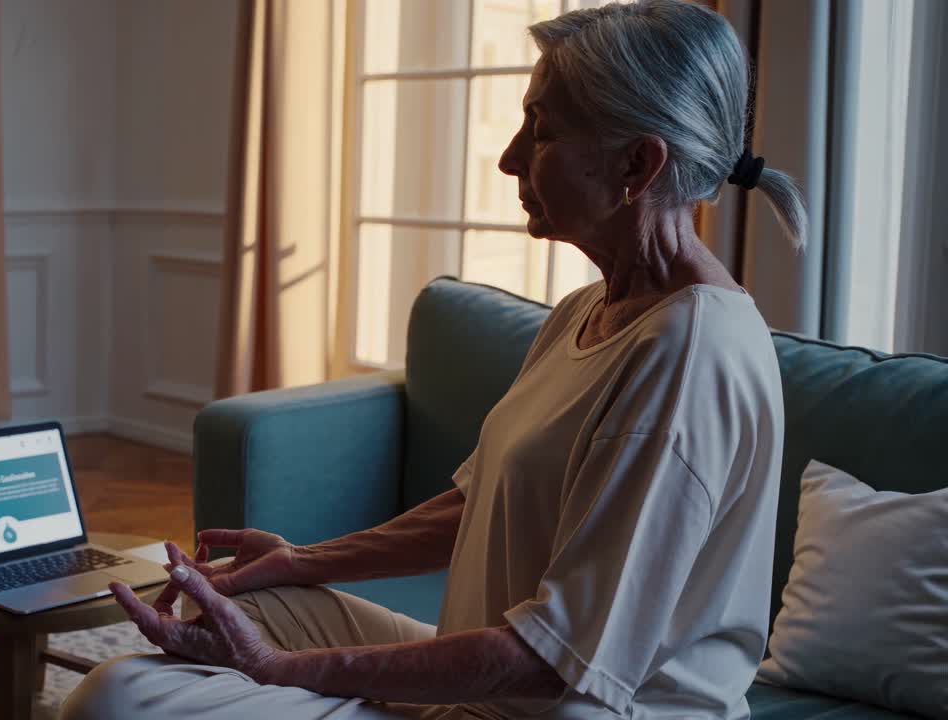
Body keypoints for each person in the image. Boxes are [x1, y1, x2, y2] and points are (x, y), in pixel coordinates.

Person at [61, 0, 801, 717]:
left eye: (539, 133)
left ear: (636, 163)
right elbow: (479, 502)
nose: (510, 157)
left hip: (547, 706)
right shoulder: (589, 311)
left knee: (120, 699)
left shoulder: (688, 355)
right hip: (485, 685)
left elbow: (551, 666)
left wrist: (277, 670)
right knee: (241, 602)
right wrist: (301, 560)